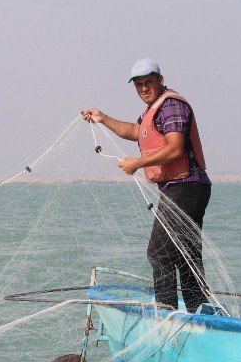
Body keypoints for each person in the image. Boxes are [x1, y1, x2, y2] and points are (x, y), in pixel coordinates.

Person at [81, 58, 212, 313]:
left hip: (186, 186)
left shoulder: (171, 106)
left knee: (159, 252)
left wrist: (138, 163)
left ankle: (165, 313)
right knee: (184, 254)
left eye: (148, 82)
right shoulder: (155, 109)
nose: (143, 88)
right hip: (183, 188)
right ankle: (198, 310)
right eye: (139, 84)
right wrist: (102, 118)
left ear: (160, 80)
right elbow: (135, 131)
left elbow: (175, 149)